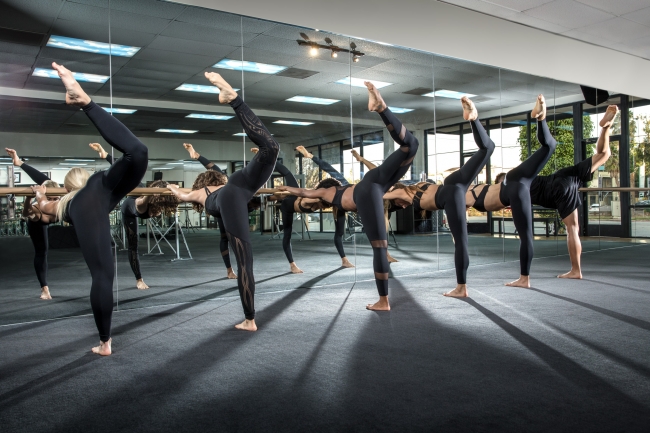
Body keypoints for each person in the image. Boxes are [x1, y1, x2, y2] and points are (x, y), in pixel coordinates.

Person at [34, 62, 149, 356]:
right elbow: (118, 171)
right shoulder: (87, 191)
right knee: (137, 153)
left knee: (101, 276)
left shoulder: (63, 205)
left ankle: (104, 342)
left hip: (88, 203)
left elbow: (42, 207)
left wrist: (38, 196)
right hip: (104, 190)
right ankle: (85, 102)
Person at [278, 81, 418, 311]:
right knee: (411, 145)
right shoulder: (337, 187)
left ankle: (381, 107)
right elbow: (308, 187)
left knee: (411, 144)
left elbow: (304, 191)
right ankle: (381, 108)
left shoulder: (328, 192)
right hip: (372, 186)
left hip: (372, 187)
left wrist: (286, 189)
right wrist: (287, 188)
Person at [168, 72, 279, 332]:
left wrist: (172, 187)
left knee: (245, 263)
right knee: (271, 148)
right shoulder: (224, 180)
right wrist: (197, 156)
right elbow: (212, 167)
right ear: (215, 177)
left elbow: (183, 195)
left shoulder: (200, 193)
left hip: (234, 195)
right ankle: (235, 101)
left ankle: (250, 319)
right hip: (240, 187)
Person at [383, 96, 494, 298]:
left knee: (461, 243)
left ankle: (461, 288)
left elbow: (381, 194)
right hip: (455, 185)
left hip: (452, 193)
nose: (402, 206)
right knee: (488, 148)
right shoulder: (418, 186)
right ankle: (473, 119)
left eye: (398, 204)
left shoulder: (403, 192)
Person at [446, 95, 557, 293]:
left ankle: (540, 118)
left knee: (550, 147)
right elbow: (459, 235)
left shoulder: (463, 191)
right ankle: (539, 118)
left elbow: (459, 236)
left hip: (513, 185)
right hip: (512, 185)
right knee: (549, 147)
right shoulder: (462, 196)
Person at [529, 104, 618, 279]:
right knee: (604, 155)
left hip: (555, 187)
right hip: (565, 176)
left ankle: (576, 270)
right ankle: (606, 128)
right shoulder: (527, 178)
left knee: (572, 228)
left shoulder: (517, 184)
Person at [90, 143, 180, 289]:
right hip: (131, 208)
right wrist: (152, 194)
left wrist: (174, 189)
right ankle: (139, 279)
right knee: (134, 246)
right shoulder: (143, 201)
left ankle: (105, 155)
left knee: (131, 178)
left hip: (145, 193)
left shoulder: (160, 201)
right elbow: (142, 196)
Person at [5, 147, 59, 300]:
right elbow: (25, 214)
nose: (55, 200)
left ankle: (19, 162)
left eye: (56, 198)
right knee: (42, 252)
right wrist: (29, 198)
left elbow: (46, 183)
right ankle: (45, 289)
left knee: (45, 181)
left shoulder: (60, 196)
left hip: (48, 206)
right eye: (52, 198)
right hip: (37, 222)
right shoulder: (37, 208)